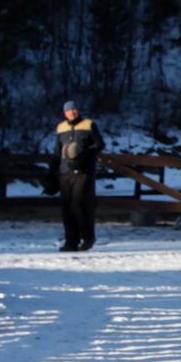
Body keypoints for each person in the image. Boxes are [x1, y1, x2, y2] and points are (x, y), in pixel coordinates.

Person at [54, 100, 104, 252]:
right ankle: (71, 242)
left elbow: (99, 144)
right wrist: (52, 173)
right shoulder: (60, 128)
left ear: (78, 110)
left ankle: (88, 237)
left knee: (80, 205)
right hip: (65, 172)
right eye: (69, 110)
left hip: (83, 171)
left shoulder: (89, 125)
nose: (72, 112)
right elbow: (57, 152)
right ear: (65, 113)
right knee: (66, 208)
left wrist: (85, 154)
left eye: (74, 109)